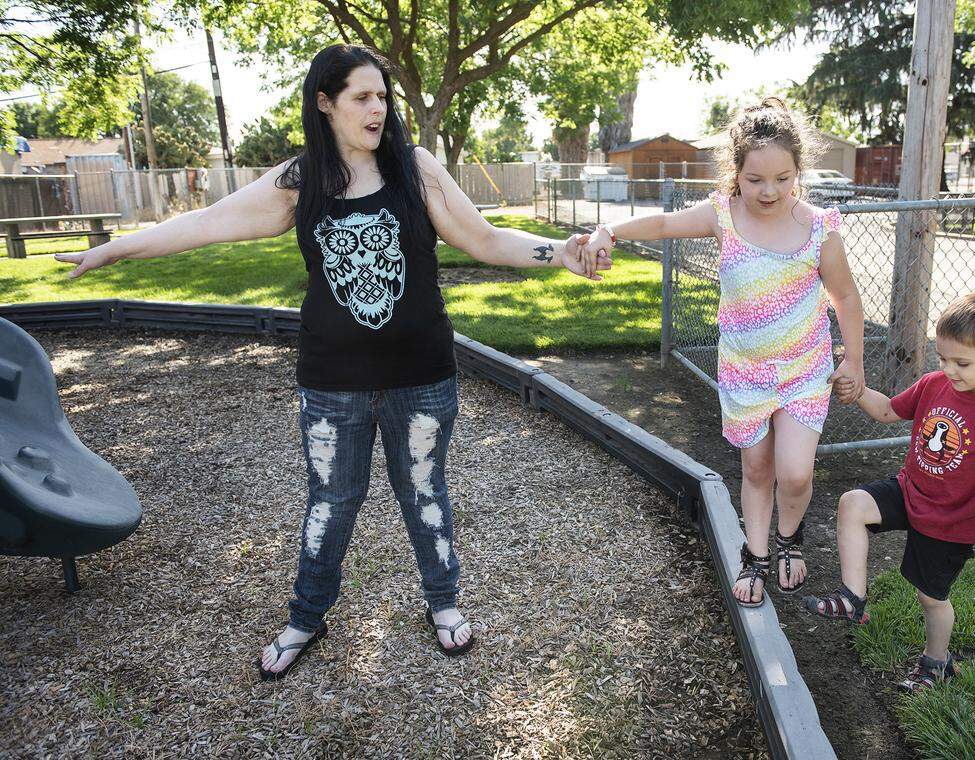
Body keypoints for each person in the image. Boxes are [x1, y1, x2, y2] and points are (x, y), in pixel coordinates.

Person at [55, 44, 609, 679]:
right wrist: (117, 250)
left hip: (421, 377)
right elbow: (207, 223)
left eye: (383, 97)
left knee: (424, 492)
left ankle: (444, 603)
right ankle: (306, 616)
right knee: (331, 501)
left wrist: (559, 251)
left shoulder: (415, 167)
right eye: (361, 98)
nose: (378, 109)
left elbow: (483, 238)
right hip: (332, 386)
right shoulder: (301, 180)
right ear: (325, 103)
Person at [581, 97, 865, 607]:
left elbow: (845, 297)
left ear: (798, 170)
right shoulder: (722, 216)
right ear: (736, 172)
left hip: (804, 371)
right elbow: (666, 225)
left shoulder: (820, 228)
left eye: (782, 177)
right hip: (744, 375)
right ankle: (755, 557)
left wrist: (855, 360)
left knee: (796, 472)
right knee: (757, 468)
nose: (769, 190)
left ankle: (789, 540)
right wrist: (610, 231)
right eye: (756, 179)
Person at [807, 292, 975, 692]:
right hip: (910, 490)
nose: (949, 370)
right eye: (942, 359)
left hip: (951, 521)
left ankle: (936, 662)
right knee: (853, 504)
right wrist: (858, 391)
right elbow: (889, 411)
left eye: (962, 362)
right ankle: (853, 598)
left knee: (930, 596)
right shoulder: (934, 384)